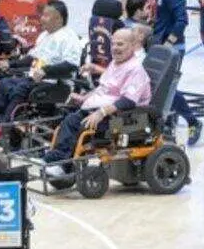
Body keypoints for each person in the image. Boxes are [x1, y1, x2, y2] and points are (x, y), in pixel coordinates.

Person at [42, 29, 152, 174]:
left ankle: (63, 166)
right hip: (101, 110)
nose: (115, 48)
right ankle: (53, 159)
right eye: (113, 44)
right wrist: (84, 98)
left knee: (81, 126)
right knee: (67, 118)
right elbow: (104, 88)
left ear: (132, 46)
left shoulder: (135, 69)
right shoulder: (116, 63)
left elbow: (128, 101)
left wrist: (101, 112)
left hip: (125, 117)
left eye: (120, 44)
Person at [0, 0, 82, 139]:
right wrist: (10, 64)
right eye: (42, 15)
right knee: (5, 83)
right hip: (35, 78)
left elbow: (71, 65)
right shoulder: (44, 36)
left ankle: (4, 128)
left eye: (46, 15)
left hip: (56, 83)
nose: (42, 18)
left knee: (21, 88)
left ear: (59, 18)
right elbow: (31, 58)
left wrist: (46, 71)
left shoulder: (69, 37)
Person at [149, 0, 203, 145]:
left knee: (166, 88)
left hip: (172, 48)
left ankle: (193, 121)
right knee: (161, 88)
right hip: (161, 46)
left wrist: (168, 44)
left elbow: (182, 20)